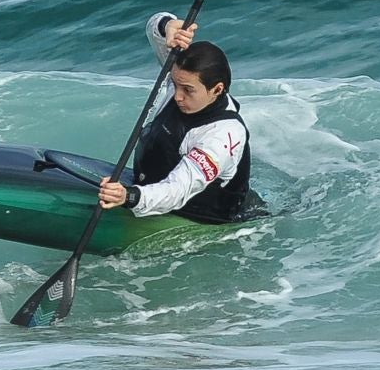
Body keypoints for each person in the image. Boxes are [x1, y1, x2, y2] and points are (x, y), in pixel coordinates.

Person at [98, 13, 264, 223]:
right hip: (151, 188)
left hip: (203, 215)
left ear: (217, 89)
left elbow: (178, 190)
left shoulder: (221, 136)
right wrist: (168, 27)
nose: (177, 96)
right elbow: (154, 28)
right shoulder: (183, 78)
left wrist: (129, 196)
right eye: (175, 84)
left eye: (187, 90)